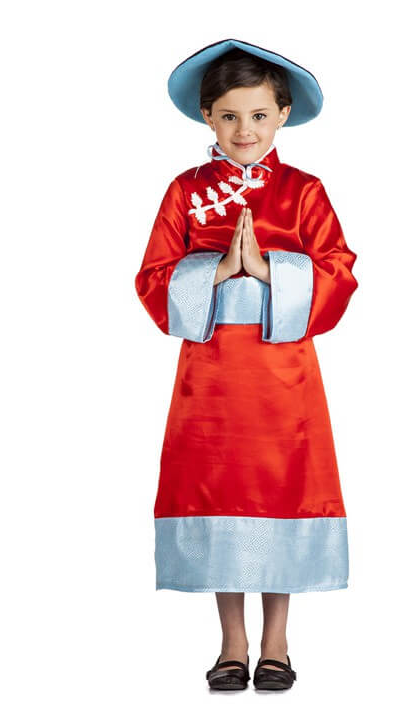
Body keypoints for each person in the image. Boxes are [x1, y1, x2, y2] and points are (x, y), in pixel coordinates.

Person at [134, 38, 358, 691]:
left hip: (283, 375)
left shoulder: (304, 191)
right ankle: (232, 642)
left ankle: (277, 642)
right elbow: (151, 277)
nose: (245, 131)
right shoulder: (185, 192)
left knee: (280, 493)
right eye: (229, 116)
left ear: (283, 114)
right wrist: (216, 269)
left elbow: (340, 271)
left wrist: (268, 269)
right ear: (207, 115)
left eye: (259, 115)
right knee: (219, 492)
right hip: (210, 379)